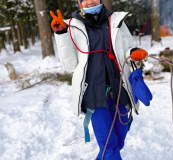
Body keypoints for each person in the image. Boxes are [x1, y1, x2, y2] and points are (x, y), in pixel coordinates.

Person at [50, 0, 148, 159]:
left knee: (118, 142)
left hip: (120, 90)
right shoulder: (71, 26)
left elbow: (127, 49)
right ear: (79, 2)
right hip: (94, 94)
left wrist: (134, 53)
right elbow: (69, 65)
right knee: (109, 145)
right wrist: (61, 34)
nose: (90, 2)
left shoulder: (116, 21)